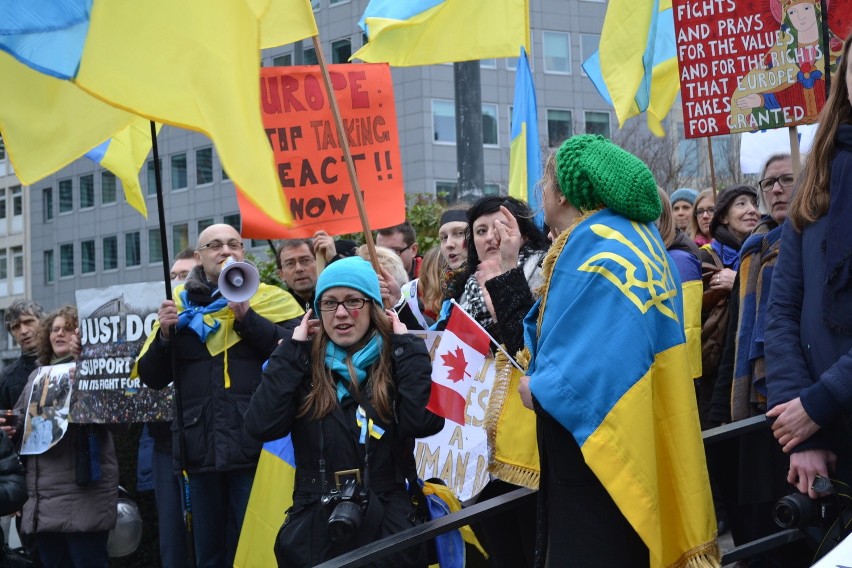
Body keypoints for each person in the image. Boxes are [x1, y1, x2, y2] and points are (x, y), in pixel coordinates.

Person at [518, 135, 718, 567]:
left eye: (545, 185)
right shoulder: (637, 236)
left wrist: (539, 389)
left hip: (592, 450)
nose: (542, 196)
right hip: (635, 420)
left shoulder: (589, 242)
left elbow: (593, 358)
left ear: (565, 191)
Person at [243, 256, 444, 567]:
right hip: (316, 523)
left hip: (387, 521)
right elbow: (260, 425)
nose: (340, 313)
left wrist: (407, 347)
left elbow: (425, 422)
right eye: (329, 303)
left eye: (353, 301)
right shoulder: (301, 363)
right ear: (316, 311)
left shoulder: (397, 359)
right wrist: (290, 352)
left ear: (373, 307)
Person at [134, 223, 304, 568]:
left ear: (243, 252)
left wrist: (245, 315)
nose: (225, 252)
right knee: (207, 553)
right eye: (214, 246)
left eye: (233, 244)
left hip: (256, 447)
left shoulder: (269, 298)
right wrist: (166, 335)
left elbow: (295, 352)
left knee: (259, 545)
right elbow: (152, 376)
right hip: (200, 451)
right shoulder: (179, 305)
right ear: (199, 257)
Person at [705, 154, 811, 566]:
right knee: (762, 537)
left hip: (804, 406)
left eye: (787, 179)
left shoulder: (815, 233)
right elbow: (735, 342)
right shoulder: (754, 248)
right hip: (752, 411)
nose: (777, 189)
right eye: (769, 184)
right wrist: (717, 421)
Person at [765, 31, 852, 503]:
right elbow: (781, 313)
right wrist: (806, 434)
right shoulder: (815, 182)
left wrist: (820, 401)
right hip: (829, 440)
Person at [11, 306, 119, 568]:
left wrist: (86, 385)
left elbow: (118, 422)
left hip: (83, 495)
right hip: (43, 500)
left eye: (68, 329)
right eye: (55, 329)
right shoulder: (36, 377)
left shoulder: (96, 372)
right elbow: (22, 419)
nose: (60, 334)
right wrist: (10, 425)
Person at [144, 250, 201, 568]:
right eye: (174, 277)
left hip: (204, 445)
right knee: (173, 542)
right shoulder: (158, 323)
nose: (179, 283)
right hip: (165, 445)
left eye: (186, 276)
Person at [697, 185, 760, 428]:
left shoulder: (761, 249)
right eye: (741, 204)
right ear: (723, 216)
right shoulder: (706, 258)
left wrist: (738, 283)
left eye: (754, 203)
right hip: (717, 370)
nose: (751, 210)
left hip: (749, 363)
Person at [731, 0, 842, 130]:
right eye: (793, 12)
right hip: (799, 126)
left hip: (834, 125)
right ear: (786, 15)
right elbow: (784, 93)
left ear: (817, 7)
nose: (801, 17)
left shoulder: (839, 49)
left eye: (806, 8)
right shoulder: (778, 56)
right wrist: (760, 99)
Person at [0, 300, 44, 411]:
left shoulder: (65, 364)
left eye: (28, 322)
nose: (23, 331)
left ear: (42, 322)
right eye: (15, 327)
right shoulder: (6, 379)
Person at [277, 238, 319, 310]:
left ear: (318, 264)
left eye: (305, 260)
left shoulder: (335, 302)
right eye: (290, 263)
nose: (298, 269)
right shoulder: (276, 312)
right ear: (281, 274)